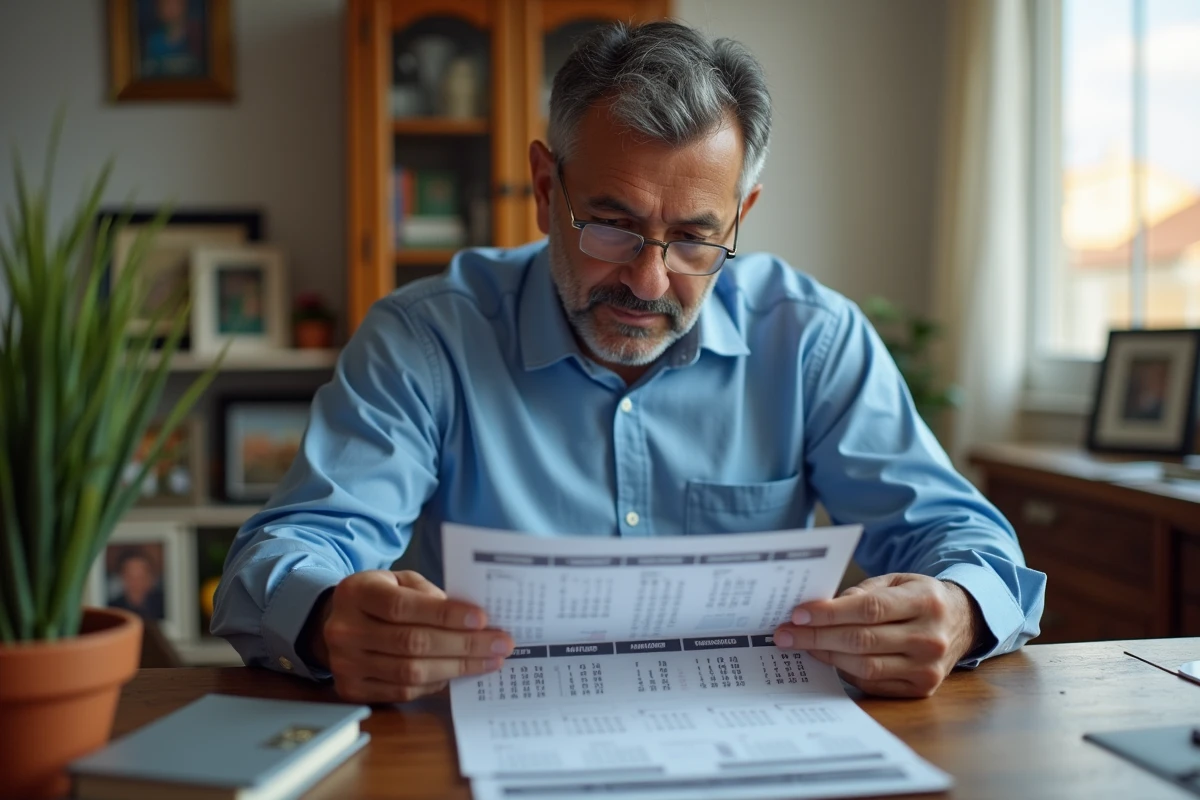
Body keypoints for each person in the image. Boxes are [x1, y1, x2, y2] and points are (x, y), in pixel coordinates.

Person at [213, 21, 1045, 703]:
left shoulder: (811, 340)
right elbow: (291, 546)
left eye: (693, 237)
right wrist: (326, 617)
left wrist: (961, 609)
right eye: (610, 225)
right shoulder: (426, 340)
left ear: (741, 215)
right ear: (546, 187)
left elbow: (962, 538)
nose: (649, 281)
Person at [110, 549, 166, 620]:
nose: (136, 582)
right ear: (121, 577)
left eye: (141, 576)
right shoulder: (113, 609)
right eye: (130, 576)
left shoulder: (164, 605)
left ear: (151, 577)